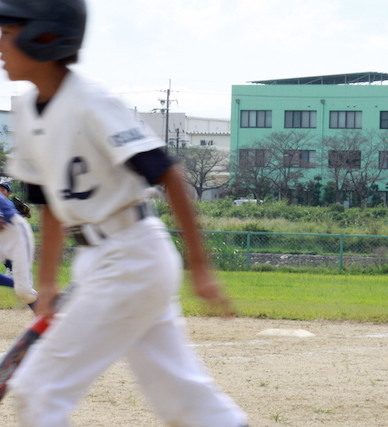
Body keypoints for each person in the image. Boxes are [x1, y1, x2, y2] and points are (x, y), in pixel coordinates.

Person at [0, 0, 248, 425]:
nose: (1, 46)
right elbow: (50, 204)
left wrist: (201, 268)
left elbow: (168, 174)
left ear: (43, 37)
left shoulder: (90, 101)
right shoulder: (24, 110)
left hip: (131, 253)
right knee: (182, 396)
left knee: (40, 388)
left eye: (7, 33)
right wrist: (45, 284)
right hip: (103, 260)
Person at [0, 189, 38, 308]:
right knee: (21, 287)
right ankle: (16, 282)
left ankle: (48, 316)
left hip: (15, 234)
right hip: (3, 236)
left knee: (24, 292)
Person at [0, 181, 31, 276]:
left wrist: (25, 212)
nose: (0, 191)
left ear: (9, 193)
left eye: (3, 190)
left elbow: (27, 216)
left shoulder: (10, 204)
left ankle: (13, 270)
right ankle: (12, 270)